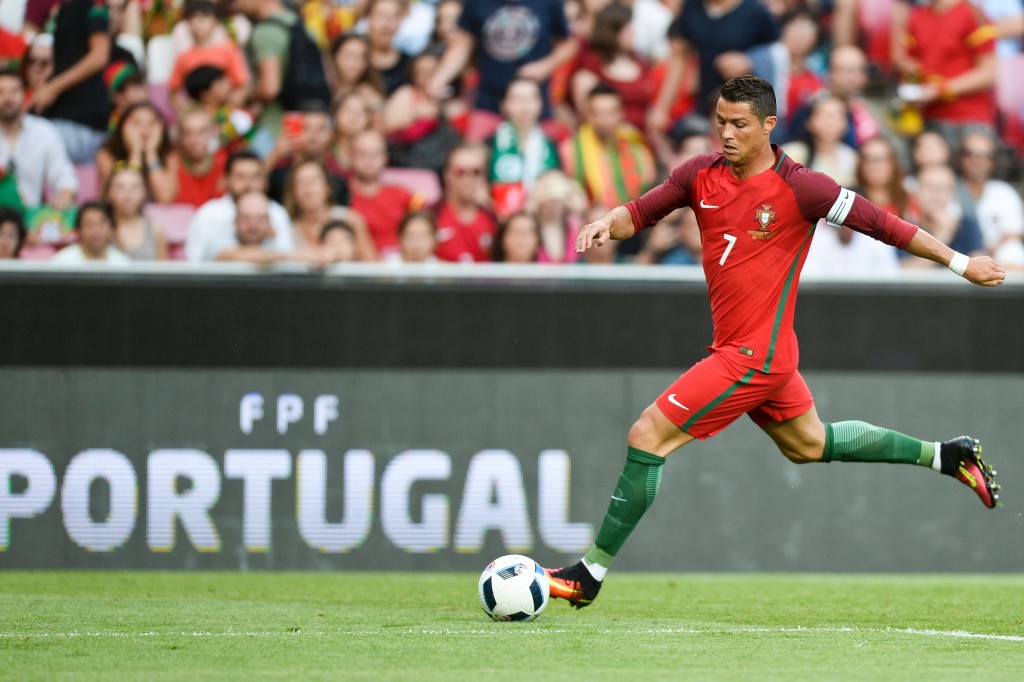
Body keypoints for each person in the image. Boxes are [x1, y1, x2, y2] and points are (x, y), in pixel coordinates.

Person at [545, 75, 1005, 610]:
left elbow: (884, 224)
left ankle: (589, 573)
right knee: (809, 445)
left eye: (739, 124)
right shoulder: (699, 174)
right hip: (760, 354)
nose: (727, 133)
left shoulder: (802, 187)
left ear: (769, 125)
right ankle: (947, 456)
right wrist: (607, 221)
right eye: (721, 122)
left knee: (649, 432)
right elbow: (641, 213)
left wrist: (961, 263)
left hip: (753, 355)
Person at [427, 0, 576, 117]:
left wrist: (545, 66)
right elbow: (462, 45)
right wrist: (440, 78)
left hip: (534, 103)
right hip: (489, 101)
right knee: (479, 151)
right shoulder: (476, 2)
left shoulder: (549, 2)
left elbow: (568, 44)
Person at [31, 0, 112, 165]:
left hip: (79, 121)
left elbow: (99, 56)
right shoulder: (61, 9)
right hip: (60, 117)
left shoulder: (92, 3)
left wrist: (52, 88)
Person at [185, 149, 295, 262]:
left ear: (265, 181)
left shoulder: (277, 213)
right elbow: (195, 261)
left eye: (255, 177)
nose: (248, 184)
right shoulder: (208, 214)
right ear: (226, 180)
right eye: (241, 177)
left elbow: (287, 261)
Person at [0, 67, 77, 212]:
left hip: (32, 220)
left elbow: (64, 175)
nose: (8, 98)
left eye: (14, 91)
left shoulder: (44, 131)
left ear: (25, 95)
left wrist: (64, 193)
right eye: (1, 92)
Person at [488, 78, 560, 219]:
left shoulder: (551, 145)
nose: (525, 106)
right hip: (498, 218)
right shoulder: (490, 144)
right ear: (504, 105)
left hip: (538, 218)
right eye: (518, 99)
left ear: (540, 104)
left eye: (531, 98)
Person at [348, 128, 423, 257]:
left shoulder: (402, 195)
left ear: (385, 157)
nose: (369, 160)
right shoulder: (342, 197)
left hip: (404, 266)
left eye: (375, 154)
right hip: (361, 270)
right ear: (351, 157)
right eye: (362, 154)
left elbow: (425, 226)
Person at [956, 130, 1024, 266]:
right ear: (960, 158)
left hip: (996, 257)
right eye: (970, 153)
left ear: (994, 160)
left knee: (1012, 250)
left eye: (985, 155)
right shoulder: (946, 187)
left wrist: (986, 254)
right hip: (957, 254)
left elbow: (1013, 232)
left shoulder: (1003, 191)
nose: (976, 160)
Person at [95, 102, 180, 204]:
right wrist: (135, 152)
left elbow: (165, 198)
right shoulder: (107, 153)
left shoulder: (169, 154)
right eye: (137, 124)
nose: (144, 131)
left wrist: (151, 153)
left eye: (151, 124)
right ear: (124, 127)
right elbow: (121, 199)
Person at [433, 142, 499, 262]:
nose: (468, 179)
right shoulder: (432, 215)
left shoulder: (495, 219)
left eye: (476, 172)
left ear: (484, 176)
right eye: (460, 172)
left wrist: (495, 210)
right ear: (447, 175)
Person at [104, 165, 169, 260]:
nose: (127, 194)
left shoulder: (155, 230)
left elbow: (164, 271)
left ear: (144, 192)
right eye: (120, 187)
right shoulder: (101, 228)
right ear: (109, 192)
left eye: (134, 187)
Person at [175, 107, 227, 207]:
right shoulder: (172, 164)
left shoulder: (224, 163)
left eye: (201, 132)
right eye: (187, 133)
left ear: (212, 132)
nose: (194, 140)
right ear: (180, 136)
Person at [51, 200, 132, 264]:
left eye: (101, 224)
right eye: (89, 224)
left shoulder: (123, 264)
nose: (95, 230)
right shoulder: (61, 263)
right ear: (78, 230)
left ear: (112, 229)